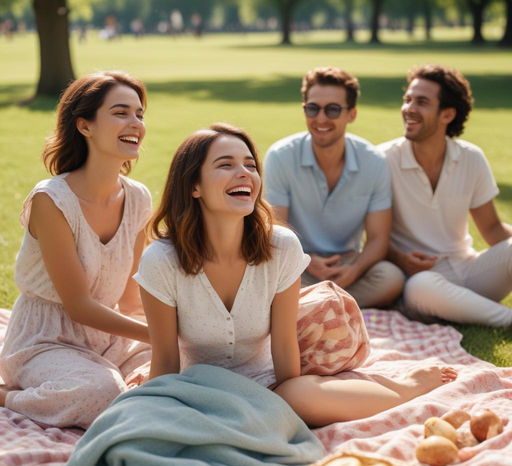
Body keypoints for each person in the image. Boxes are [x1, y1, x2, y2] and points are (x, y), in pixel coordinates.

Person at [134, 123, 457, 428]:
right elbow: (164, 359)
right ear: (194, 185)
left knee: (298, 397)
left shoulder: (281, 246)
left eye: (250, 165)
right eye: (226, 165)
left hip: (268, 385)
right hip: (199, 389)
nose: (244, 174)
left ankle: (406, 390)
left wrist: (291, 402)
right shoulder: (161, 260)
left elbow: (285, 344)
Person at [0, 71, 153, 429]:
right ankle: (7, 395)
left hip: (109, 340)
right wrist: (159, 335)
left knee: (185, 370)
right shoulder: (51, 200)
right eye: (121, 113)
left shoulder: (138, 199)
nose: (136, 124)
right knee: (101, 391)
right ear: (85, 126)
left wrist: (174, 337)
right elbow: (78, 306)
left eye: (139, 114)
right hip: (44, 340)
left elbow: (131, 302)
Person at [378, 64, 512, 328]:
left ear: (447, 114)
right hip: (423, 282)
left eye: (422, 102)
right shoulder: (382, 160)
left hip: (469, 270)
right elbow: (371, 235)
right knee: (420, 287)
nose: (409, 109)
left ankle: (471, 308)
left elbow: (493, 229)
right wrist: (400, 258)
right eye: (407, 100)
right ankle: (505, 319)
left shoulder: (471, 157)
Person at [264, 67, 405, 308]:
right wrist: (306, 261)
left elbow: (378, 240)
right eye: (312, 108)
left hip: (348, 266)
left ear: (352, 114)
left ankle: (312, 305)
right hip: (297, 264)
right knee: (266, 276)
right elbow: (276, 232)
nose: (320, 118)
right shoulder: (280, 156)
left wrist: (355, 269)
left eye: (332, 109)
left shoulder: (373, 161)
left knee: (391, 279)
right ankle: (337, 305)